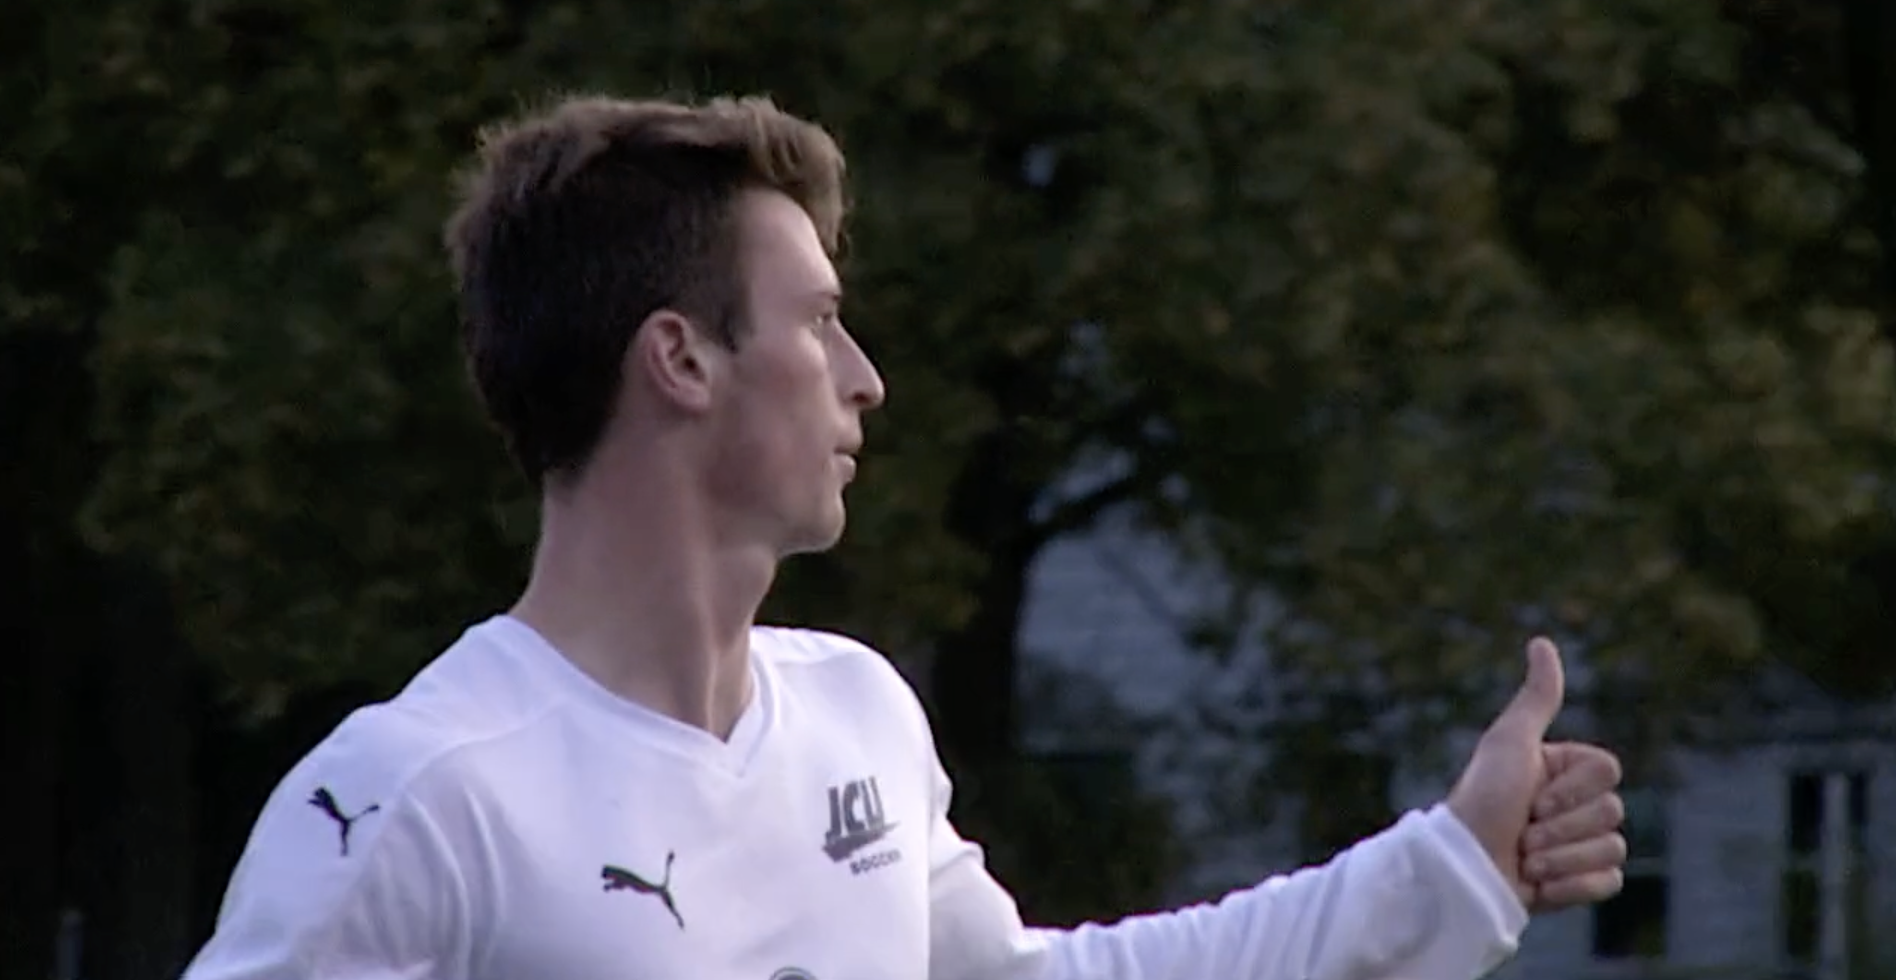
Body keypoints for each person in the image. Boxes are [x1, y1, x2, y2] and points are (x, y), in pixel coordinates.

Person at [180, 94, 1628, 980]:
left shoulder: (857, 716)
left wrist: (1455, 865)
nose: (865, 377)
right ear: (680, 359)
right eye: (818, 321)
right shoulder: (414, 798)